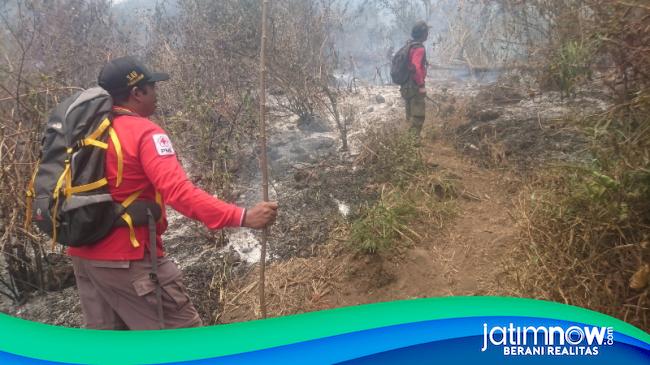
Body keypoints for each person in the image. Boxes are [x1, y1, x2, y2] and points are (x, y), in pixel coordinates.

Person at [68, 56, 278, 330]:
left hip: (85, 259)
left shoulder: (88, 131)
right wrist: (242, 216)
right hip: (129, 261)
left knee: (112, 352)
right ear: (137, 92)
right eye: (152, 87)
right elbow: (179, 192)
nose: (156, 94)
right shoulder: (145, 133)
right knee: (187, 345)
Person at [400, 21, 430, 138]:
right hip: (414, 86)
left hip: (406, 86)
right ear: (423, 34)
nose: (428, 35)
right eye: (427, 32)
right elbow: (416, 66)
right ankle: (412, 145)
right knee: (418, 117)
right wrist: (421, 85)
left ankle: (407, 146)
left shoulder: (409, 45)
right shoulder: (419, 49)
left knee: (410, 116)